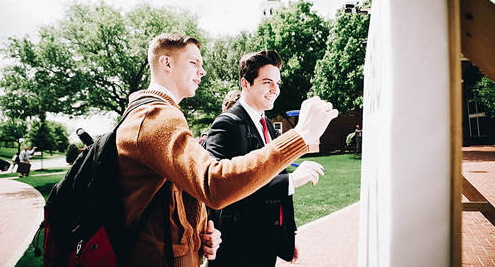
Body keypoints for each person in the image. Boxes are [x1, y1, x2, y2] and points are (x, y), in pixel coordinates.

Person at [115, 33, 338, 267]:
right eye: (194, 63)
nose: (202, 72)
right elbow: (214, 184)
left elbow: (180, 192)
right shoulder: (156, 117)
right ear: (166, 63)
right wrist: (299, 137)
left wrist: (199, 231)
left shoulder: (158, 115)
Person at [205, 50, 326, 267]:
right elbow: (222, 189)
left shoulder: (267, 125)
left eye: (278, 83)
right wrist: (291, 181)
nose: (275, 90)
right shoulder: (226, 125)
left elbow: (276, 184)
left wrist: (287, 236)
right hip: (237, 249)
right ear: (246, 83)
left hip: (267, 242)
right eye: (267, 82)